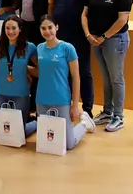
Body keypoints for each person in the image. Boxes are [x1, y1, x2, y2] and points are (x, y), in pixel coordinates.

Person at [82, 0, 133, 132]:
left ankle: (118, 116)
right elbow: (85, 14)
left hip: (115, 40)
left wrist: (104, 36)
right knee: (106, 77)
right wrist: (89, 34)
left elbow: (121, 20)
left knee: (116, 78)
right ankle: (107, 111)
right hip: (96, 40)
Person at [36, 15, 95, 150]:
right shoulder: (39, 48)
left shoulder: (67, 48)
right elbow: (40, 72)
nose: (47, 31)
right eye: (43, 28)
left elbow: (76, 77)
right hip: (42, 99)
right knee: (46, 141)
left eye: (50, 27)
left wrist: (74, 106)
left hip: (61, 99)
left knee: (68, 144)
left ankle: (84, 124)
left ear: (56, 27)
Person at [48, 0, 96, 117]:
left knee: (84, 72)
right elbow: (51, 8)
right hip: (61, 35)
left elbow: (94, 8)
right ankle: (66, 105)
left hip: (80, 34)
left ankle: (88, 109)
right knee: (63, 71)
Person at [14, 0, 55, 112]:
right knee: (27, 63)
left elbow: (52, 4)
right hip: (25, 27)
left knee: (41, 63)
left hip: (40, 28)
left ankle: (41, 99)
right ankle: (29, 100)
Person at [0, 15, 38, 137]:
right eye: (7, 28)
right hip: (2, 92)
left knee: (19, 132)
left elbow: (38, 70)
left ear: (20, 29)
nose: (10, 32)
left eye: (14, 28)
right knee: (4, 129)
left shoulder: (30, 47)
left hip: (20, 93)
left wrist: (25, 69)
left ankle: (36, 123)